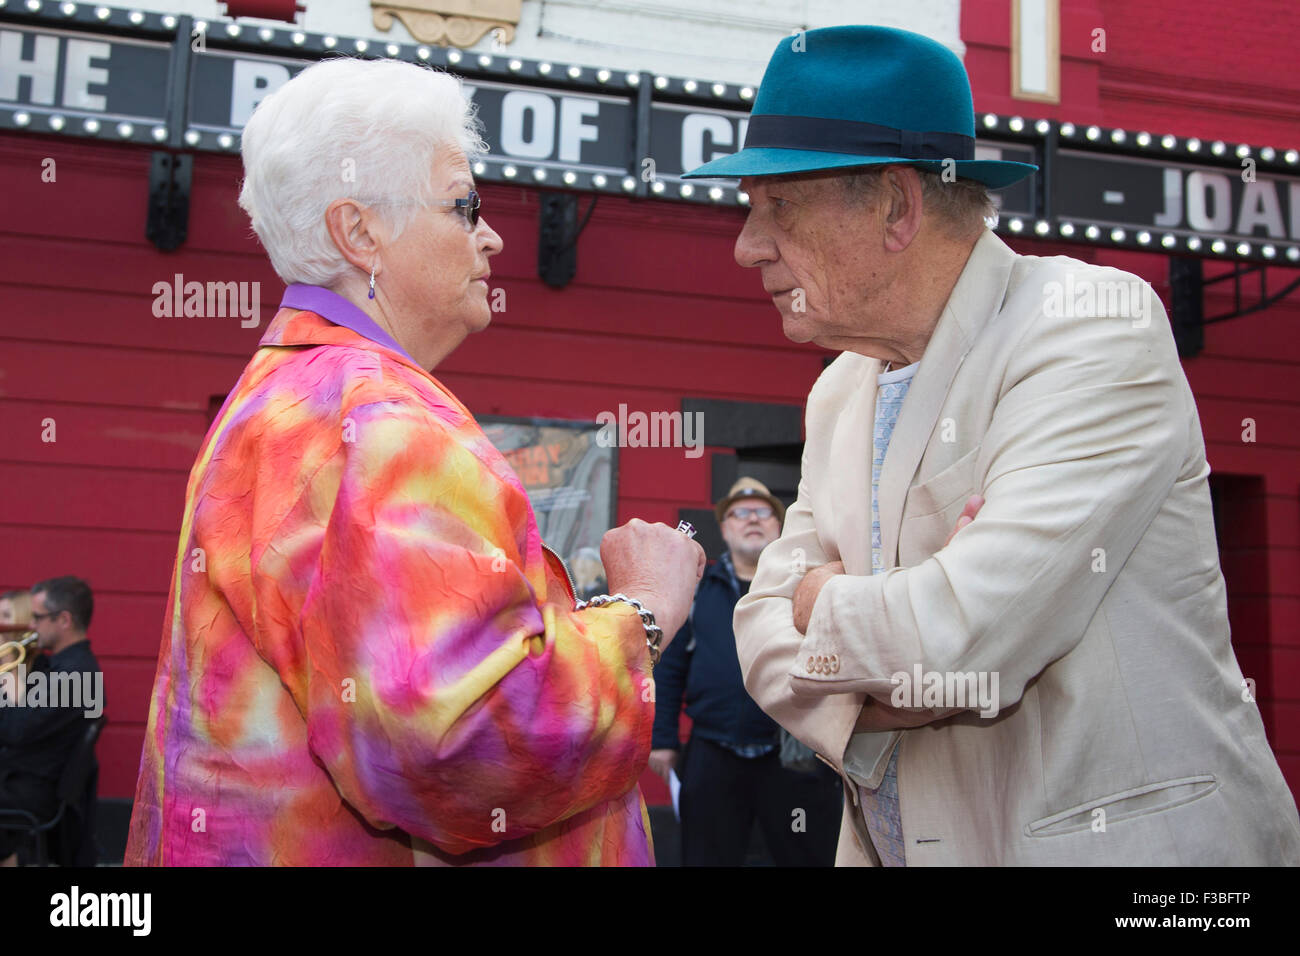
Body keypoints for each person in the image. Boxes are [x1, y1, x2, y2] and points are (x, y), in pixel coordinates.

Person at [684, 25, 1300, 865]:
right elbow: (763, 637)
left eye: (778, 207)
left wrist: (826, 607)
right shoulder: (840, 389)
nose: (746, 246)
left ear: (899, 205)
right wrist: (905, 644)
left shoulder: (1087, 327)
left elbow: (957, 641)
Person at [124, 57, 703, 867]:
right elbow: (465, 750)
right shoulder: (380, 419)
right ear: (358, 233)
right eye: (465, 204)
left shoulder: (285, 392)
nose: (492, 234)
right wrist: (642, 611)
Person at [650, 478, 841, 866]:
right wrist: (663, 739)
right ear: (724, 528)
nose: (752, 519)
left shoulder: (805, 585)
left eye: (762, 511)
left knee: (807, 854)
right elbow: (670, 667)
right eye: (740, 512)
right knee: (706, 857)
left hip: (792, 751)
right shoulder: (698, 589)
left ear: (779, 524)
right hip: (713, 751)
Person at [0, 577, 103, 866]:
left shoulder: (75, 675)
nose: (31, 625)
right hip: (23, 778)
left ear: (64, 620)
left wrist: (9, 672)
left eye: (37, 617)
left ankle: (12, 857)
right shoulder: (64, 668)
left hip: (34, 789)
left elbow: (15, 730)